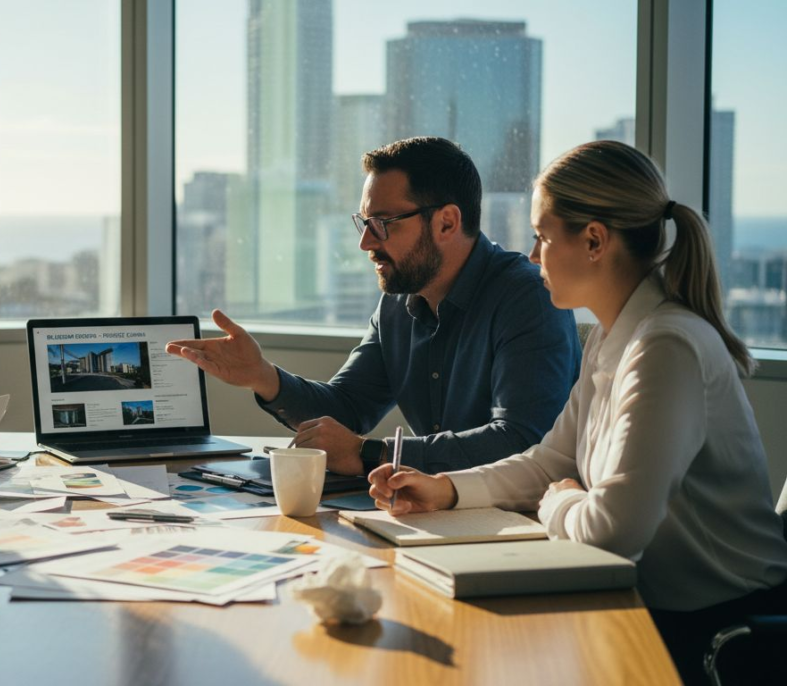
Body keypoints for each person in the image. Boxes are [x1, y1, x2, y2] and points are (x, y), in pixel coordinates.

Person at [369, 140, 787, 684]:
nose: (532, 255)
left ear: (593, 241)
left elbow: (611, 533)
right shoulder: (613, 337)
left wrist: (558, 501)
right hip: (650, 607)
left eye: (542, 237)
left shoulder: (667, 346)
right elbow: (550, 462)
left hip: (717, 634)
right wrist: (444, 489)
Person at [166, 137, 580, 476]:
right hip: (433, 511)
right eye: (364, 223)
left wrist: (372, 454)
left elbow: (522, 442)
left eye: (382, 224)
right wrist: (263, 377)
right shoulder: (398, 304)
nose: (366, 242)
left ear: (447, 222)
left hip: (517, 520)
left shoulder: (529, 298)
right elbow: (348, 409)